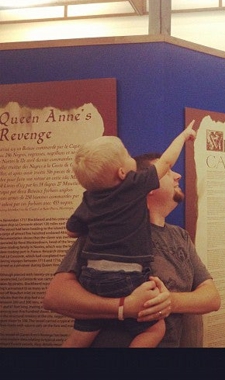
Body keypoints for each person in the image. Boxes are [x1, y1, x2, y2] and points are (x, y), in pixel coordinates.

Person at [43, 151, 221, 347]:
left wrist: (169, 301)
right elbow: (56, 296)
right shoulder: (107, 230)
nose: (177, 176)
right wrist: (123, 307)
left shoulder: (180, 236)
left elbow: (211, 298)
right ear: (150, 185)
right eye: (169, 171)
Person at [61, 121, 197, 348]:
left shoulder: (90, 198)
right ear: (123, 173)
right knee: (156, 328)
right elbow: (167, 160)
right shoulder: (132, 186)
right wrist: (183, 136)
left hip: (92, 278)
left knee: (79, 337)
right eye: (125, 153)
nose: (176, 176)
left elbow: (70, 229)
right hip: (127, 277)